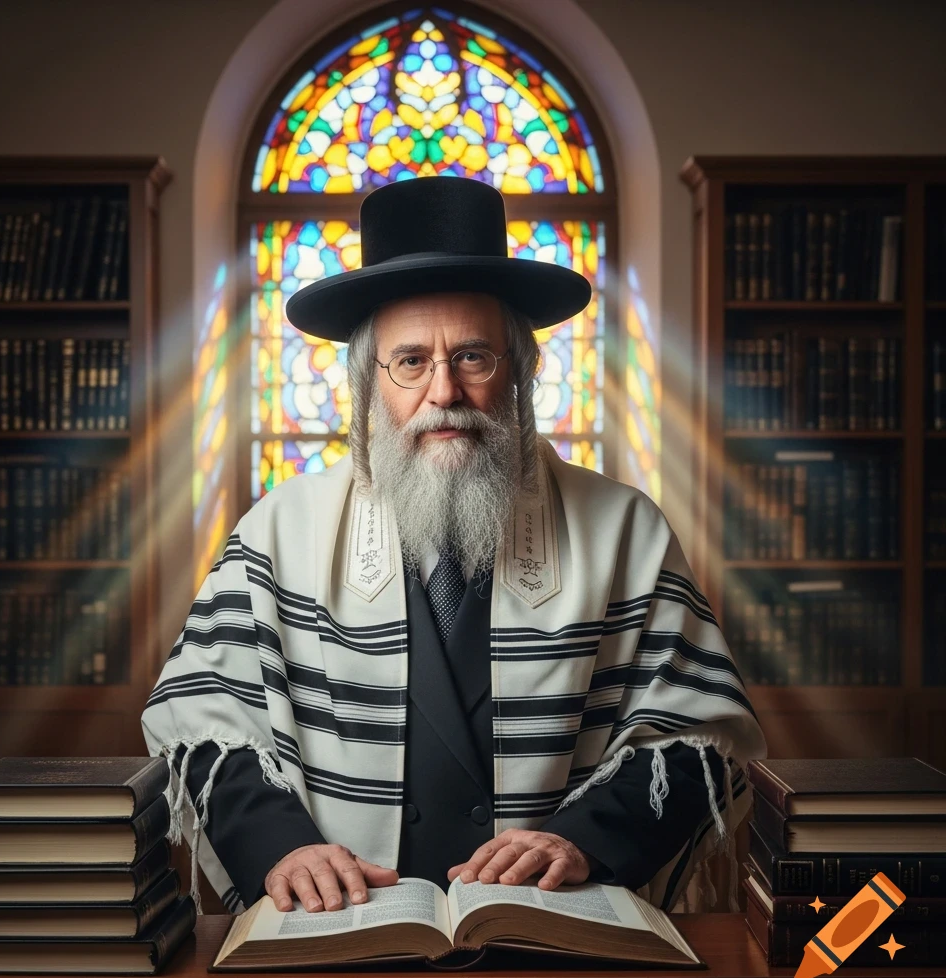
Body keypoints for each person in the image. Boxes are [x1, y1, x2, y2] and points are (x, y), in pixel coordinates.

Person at [141, 175, 766, 917]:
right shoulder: (280, 532)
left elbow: (701, 739)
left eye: (473, 357)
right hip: (341, 926)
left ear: (521, 372)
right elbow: (201, 721)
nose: (444, 392)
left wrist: (584, 842)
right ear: (368, 384)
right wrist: (281, 848)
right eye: (411, 362)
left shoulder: (623, 530)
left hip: (551, 923)